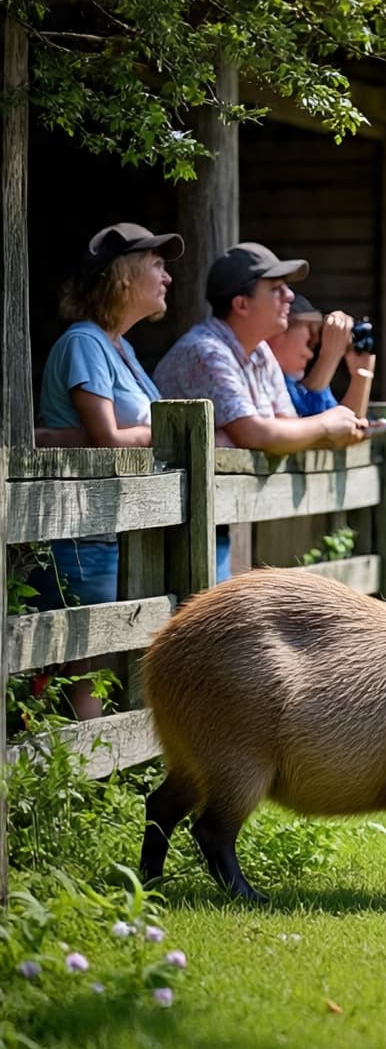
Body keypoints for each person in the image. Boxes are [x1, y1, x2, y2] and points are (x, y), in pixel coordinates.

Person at [35, 221, 185, 719]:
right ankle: (74, 782)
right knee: (83, 657)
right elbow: (109, 439)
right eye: (157, 264)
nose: (166, 277)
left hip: (113, 530)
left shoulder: (121, 348)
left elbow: (104, 433)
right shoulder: (85, 342)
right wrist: (165, 434)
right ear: (123, 276)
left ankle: (95, 779)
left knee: (100, 657)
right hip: (83, 533)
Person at [153, 242, 367, 581]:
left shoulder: (260, 354)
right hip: (167, 533)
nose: (290, 297)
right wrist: (328, 423)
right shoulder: (205, 351)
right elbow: (255, 433)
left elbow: (287, 426)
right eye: (276, 289)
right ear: (241, 304)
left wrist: (313, 426)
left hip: (205, 522)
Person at [266, 294, 376, 417]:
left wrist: (360, 376)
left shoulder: (294, 385)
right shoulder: (264, 380)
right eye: (309, 340)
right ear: (278, 332)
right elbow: (307, 429)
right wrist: (329, 357)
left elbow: (347, 430)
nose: (310, 354)